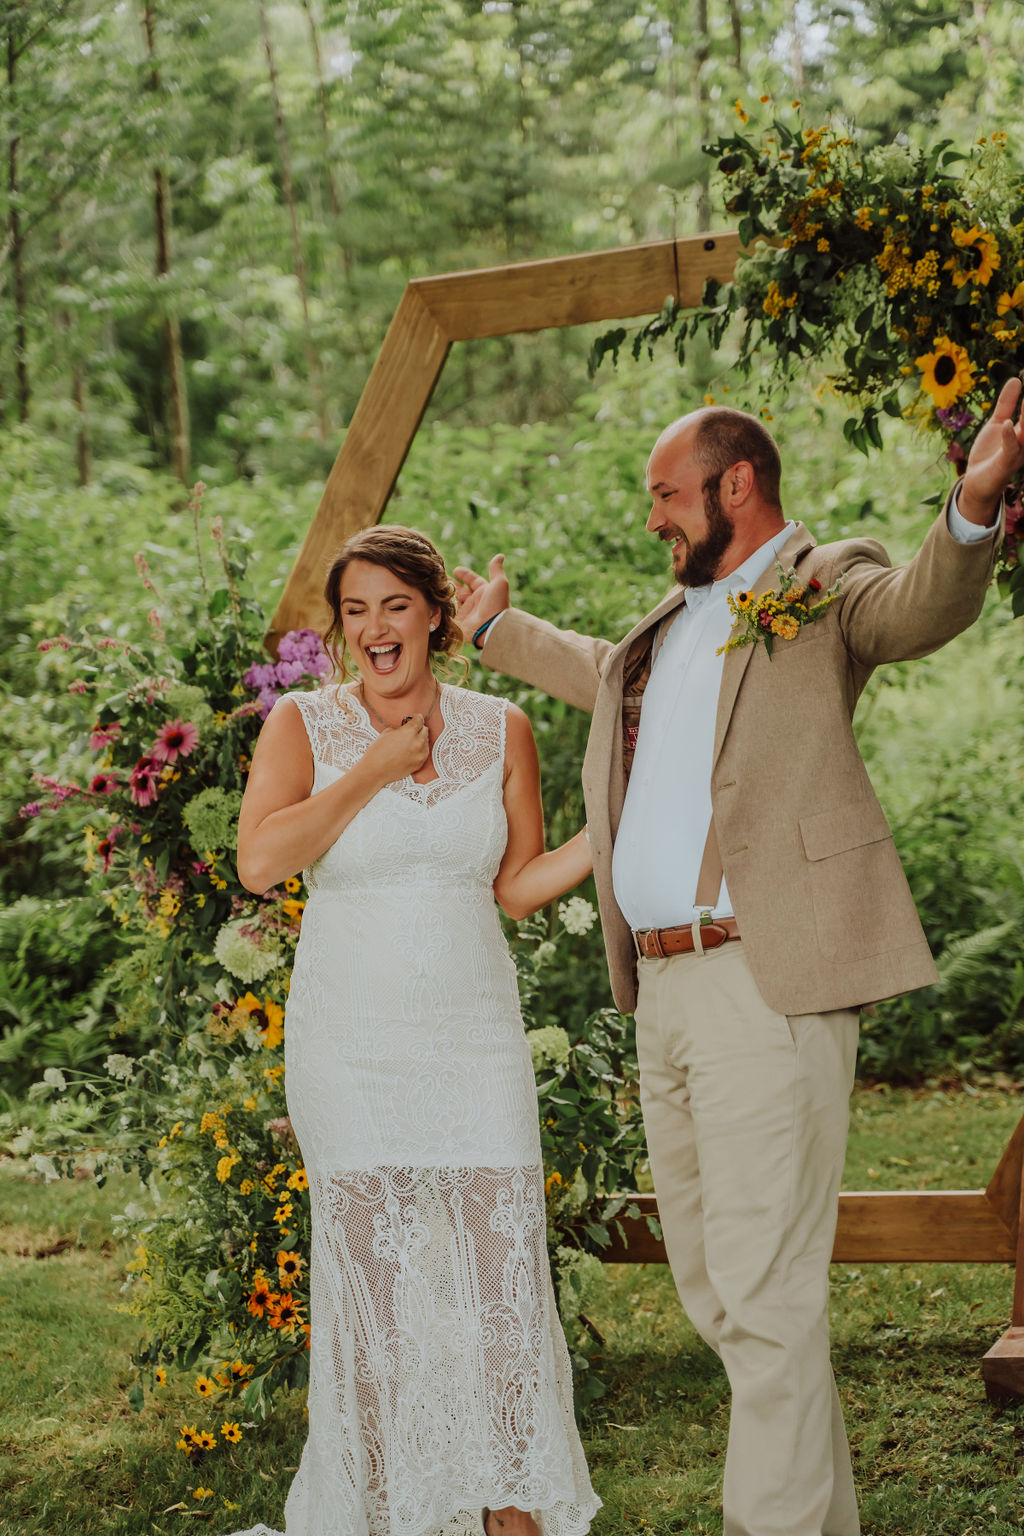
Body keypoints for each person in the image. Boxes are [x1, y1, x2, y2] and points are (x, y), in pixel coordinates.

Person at [453, 377, 1024, 1536]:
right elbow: (591, 670)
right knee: (719, 1289)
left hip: (766, 982)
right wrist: (495, 632)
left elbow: (914, 609)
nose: (653, 515)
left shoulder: (820, 587)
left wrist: (970, 505)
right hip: (659, 989)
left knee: (761, 1298)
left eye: (666, 493)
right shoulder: (664, 631)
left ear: (736, 484)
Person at [229, 525, 601, 1536]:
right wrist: (374, 771)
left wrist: (610, 833)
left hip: (474, 1041)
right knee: (381, 1305)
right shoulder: (303, 724)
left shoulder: (501, 726)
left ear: (437, 612)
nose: (373, 630)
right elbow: (261, 863)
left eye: (393, 606)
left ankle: (509, 1511)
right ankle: (391, 1511)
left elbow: (517, 886)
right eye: (354, 612)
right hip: (352, 1048)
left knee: (502, 1287)